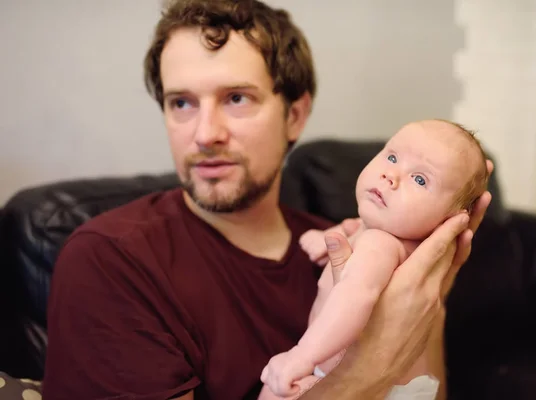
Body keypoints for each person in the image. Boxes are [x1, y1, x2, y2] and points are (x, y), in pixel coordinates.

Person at [41, 1, 493, 399]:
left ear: (294, 115)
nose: (205, 134)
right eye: (181, 103)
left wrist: (433, 290)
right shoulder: (110, 260)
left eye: (236, 98)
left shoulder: (337, 244)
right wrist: (363, 372)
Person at [258, 119, 489, 399]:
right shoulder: (383, 235)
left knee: (273, 392)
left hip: (348, 377)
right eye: (392, 157)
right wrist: (331, 235)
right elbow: (354, 226)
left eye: (420, 179)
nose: (390, 176)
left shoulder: (381, 245)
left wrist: (301, 356)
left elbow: (354, 296)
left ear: (450, 220)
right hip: (397, 384)